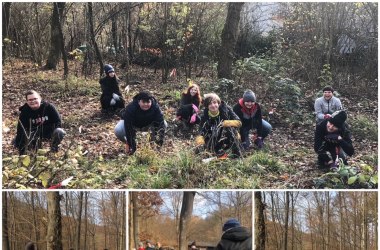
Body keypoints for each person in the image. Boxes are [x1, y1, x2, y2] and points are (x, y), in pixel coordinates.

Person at [14, 90, 66, 154]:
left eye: (35, 99)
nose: (33, 101)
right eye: (30, 100)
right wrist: (20, 147)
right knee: (21, 141)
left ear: (40, 99)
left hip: (49, 131)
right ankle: (36, 151)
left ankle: (54, 150)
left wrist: (46, 130)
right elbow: (21, 130)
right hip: (33, 134)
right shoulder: (24, 112)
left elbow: (58, 123)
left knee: (59, 131)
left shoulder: (49, 107)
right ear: (27, 101)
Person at [195, 93, 242, 157]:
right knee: (200, 150)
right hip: (214, 138)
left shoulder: (226, 109)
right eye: (210, 104)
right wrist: (200, 138)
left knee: (229, 129)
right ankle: (215, 153)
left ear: (218, 103)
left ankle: (236, 155)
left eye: (215, 103)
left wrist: (227, 123)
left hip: (228, 136)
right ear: (207, 106)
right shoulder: (204, 115)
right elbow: (201, 129)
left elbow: (239, 122)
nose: (213, 105)